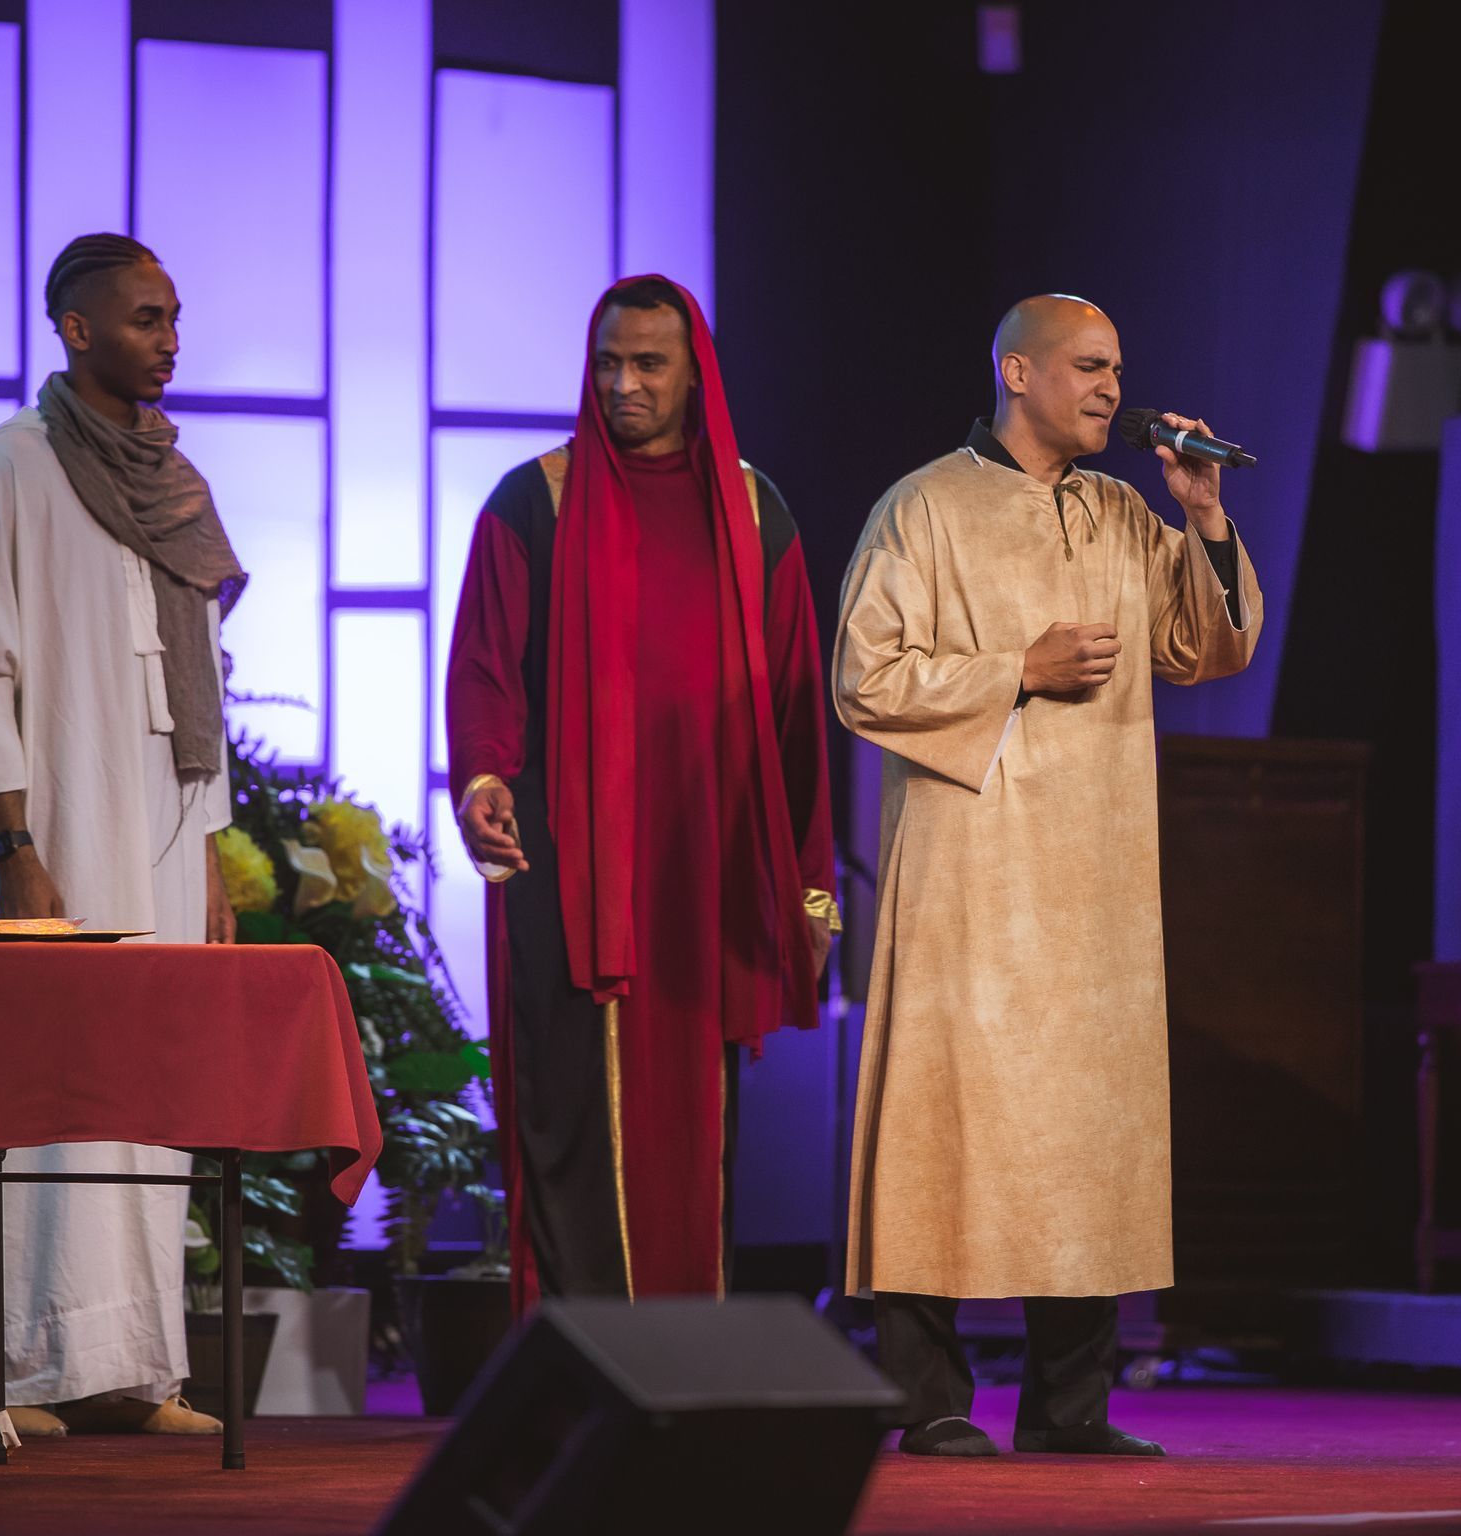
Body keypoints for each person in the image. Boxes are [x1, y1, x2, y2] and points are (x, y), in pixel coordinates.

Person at [834, 295, 1262, 1457]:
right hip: (973, 867)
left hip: (1097, 872)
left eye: (1118, 368)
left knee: (1091, 1133)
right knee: (944, 1125)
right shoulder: (925, 506)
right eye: (1088, 367)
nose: (1112, 388)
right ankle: (927, 1401)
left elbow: (1205, 649)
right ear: (1017, 374)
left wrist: (1207, 518)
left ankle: (1073, 1409)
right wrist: (1012, 668)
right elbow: (863, 678)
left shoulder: (1125, 511)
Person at [447, 275, 836, 1310]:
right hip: (569, 861)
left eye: (648, 364)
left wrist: (807, 881)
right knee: (567, 1112)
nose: (624, 384)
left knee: (696, 1117)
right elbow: (486, 665)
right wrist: (484, 776)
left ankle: (685, 1354)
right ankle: (571, 1362)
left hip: (702, 861)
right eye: (608, 363)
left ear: (692, 371)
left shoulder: (756, 510)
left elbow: (798, 705)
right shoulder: (535, 499)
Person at [0, 233, 244, 1436]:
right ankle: (23, 1365)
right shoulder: (4, 466)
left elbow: (198, 677)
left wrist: (209, 851)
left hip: (165, 826)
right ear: (75, 329)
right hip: (55, 816)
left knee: (148, 1087)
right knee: (48, 1081)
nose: (169, 341)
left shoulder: (174, 476)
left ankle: (136, 1366)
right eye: (146, 320)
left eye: (173, 319)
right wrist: (15, 846)